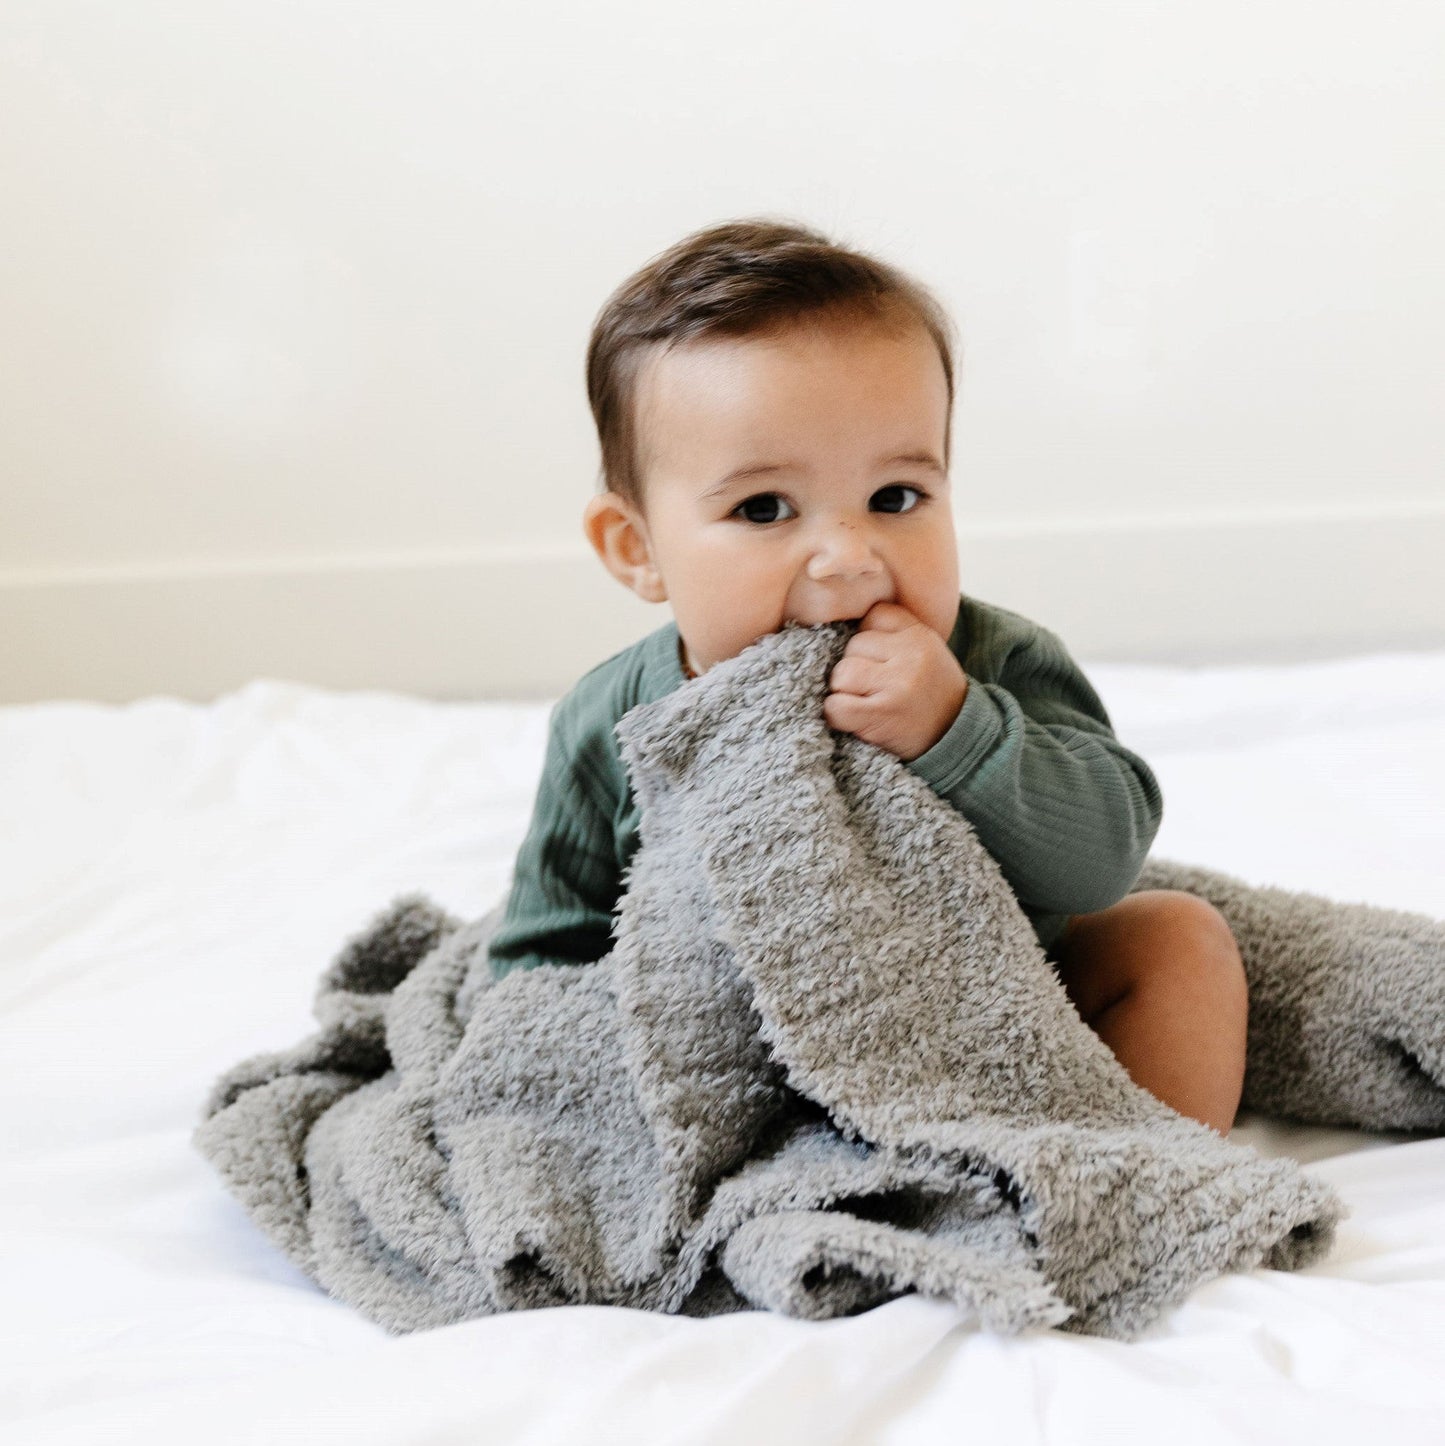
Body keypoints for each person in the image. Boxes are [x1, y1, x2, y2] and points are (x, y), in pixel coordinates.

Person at [485, 218, 1249, 1136]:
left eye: (896, 498)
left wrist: (958, 729)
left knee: (1177, 939)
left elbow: (1101, 862)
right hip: (744, 1061)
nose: (846, 558)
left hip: (997, 1023)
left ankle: (1144, 1181)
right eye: (764, 508)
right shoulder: (619, 715)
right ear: (638, 547)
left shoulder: (993, 662)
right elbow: (546, 946)